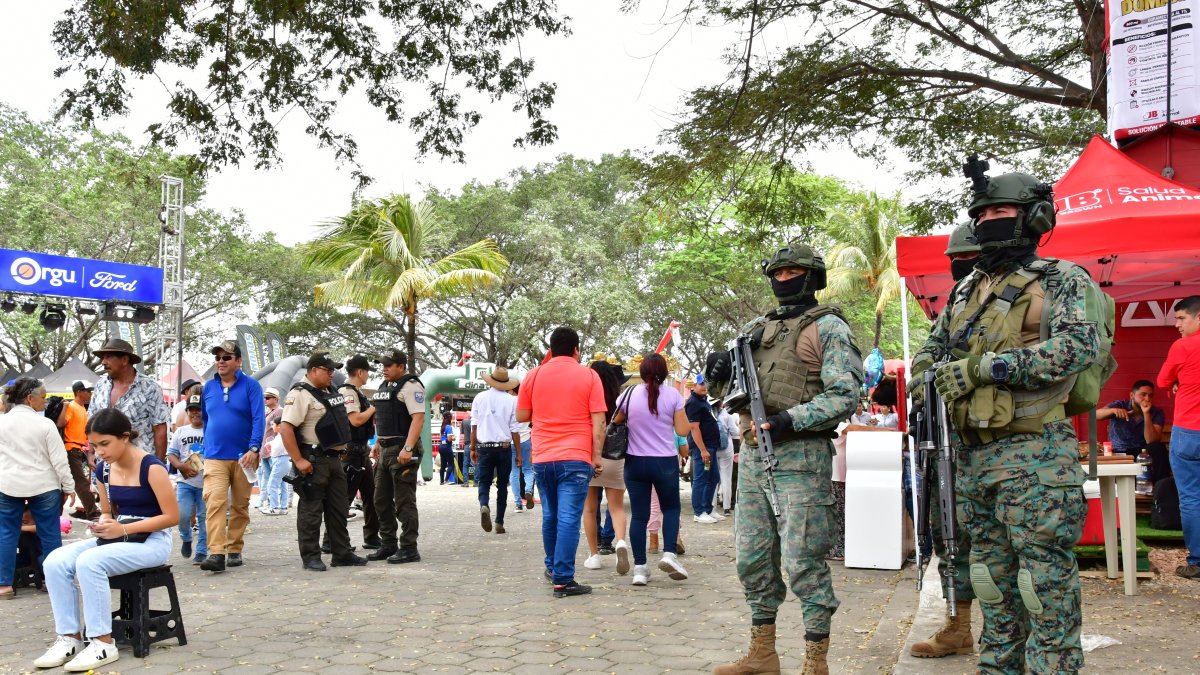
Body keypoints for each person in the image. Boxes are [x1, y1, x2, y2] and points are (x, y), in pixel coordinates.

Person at [910, 170, 1102, 673]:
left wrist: (987, 366)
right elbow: (929, 353)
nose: (988, 222)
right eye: (981, 215)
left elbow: (1079, 346)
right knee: (991, 581)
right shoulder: (965, 290)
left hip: (1035, 455)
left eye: (999, 213)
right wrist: (927, 376)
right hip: (971, 457)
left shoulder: (1061, 278)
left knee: (1042, 584)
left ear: (1034, 217)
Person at [706, 242, 863, 675]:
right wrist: (715, 376)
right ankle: (763, 653)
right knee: (751, 558)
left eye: (794, 272)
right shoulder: (757, 328)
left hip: (802, 457)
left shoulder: (828, 327)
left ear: (813, 277)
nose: (784, 279)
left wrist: (790, 420)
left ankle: (816, 661)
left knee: (803, 561)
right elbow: (729, 392)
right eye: (778, 272)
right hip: (755, 458)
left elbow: (847, 393)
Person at [35, 409, 178, 671]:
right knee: (55, 561)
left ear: (125, 437)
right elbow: (107, 511)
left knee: (90, 562)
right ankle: (69, 638)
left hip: (153, 541)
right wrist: (102, 523)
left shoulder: (151, 467)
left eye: (104, 444)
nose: (99, 451)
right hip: (118, 536)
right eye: (94, 445)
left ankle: (102, 643)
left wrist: (122, 530)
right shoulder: (103, 470)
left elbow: (172, 517)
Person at [908, 221, 980, 659]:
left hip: (1000, 438)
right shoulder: (956, 301)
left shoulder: (1038, 284)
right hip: (949, 440)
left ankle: (1015, 633)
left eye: (967, 258)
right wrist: (926, 374)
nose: (961, 267)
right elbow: (928, 352)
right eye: (955, 261)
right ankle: (959, 625)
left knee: (1004, 540)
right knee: (948, 532)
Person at [516, 327, 607, 598]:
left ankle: (552, 568)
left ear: (551, 350)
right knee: (568, 518)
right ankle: (563, 579)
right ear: (576, 349)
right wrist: (596, 456)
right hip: (576, 457)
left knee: (551, 516)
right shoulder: (590, 376)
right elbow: (599, 421)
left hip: (543, 457)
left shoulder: (533, 375)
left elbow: (522, 415)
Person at [278, 353, 367, 571]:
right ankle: (310, 556)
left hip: (334, 460)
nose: (332, 374)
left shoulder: (330, 392)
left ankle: (341, 553)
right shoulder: (300, 393)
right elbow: (286, 428)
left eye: (333, 370)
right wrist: (298, 460)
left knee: (338, 509)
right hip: (312, 460)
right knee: (311, 511)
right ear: (314, 370)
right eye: (328, 370)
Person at [0, 378, 75, 600]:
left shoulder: (2, 423)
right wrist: (69, 486)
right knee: (49, 533)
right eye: (42, 397)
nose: (45, 401)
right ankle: (51, 580)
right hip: (44, 485)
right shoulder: (45, 425)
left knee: (6, 534)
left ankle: (4, 585)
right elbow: (59, 460)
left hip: (7, 485)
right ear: (29, 398)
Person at [620, 353, 691, 586]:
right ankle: (669, 554)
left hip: (635, 462)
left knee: (639, 515)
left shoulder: (628, 395)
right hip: (664, 462)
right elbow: (682, 431)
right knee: (670, 509)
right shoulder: (672, 395)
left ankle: (640, 569)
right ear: (664, 372)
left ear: (641, 372)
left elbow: (616, 421)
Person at [198, 340, 264, 573]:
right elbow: (206, 419)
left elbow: (259, 419)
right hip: (214, 456)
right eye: (217, 358)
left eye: (226, 357)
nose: (220, 362)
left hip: (245, 457)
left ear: (238, 361)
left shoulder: (251, 386)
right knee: (214, 501)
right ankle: (216, 552)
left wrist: (254, 449)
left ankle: (234, 547)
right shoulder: (208, 387)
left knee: (240, 505)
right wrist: (208, 446)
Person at [367, 349, 426, 564]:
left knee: (404, 502)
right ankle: (388, 544)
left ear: (401, 366)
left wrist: (408, 448)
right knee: (380, 500)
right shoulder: (385, 387)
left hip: (402, 449)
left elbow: (418, 418)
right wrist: (377, 444)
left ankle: (409, 548)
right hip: (385, 449)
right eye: (383, 364)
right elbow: (382, 419)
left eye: (389, 365)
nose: (384, 368)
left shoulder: (411, 386)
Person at [1159, 295, 1200, 580]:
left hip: (1189, 432)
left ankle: (1197, 562)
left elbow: (1162, 381)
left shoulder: (1183, 347)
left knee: (1191, 498)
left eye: (1182, 318)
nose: (1177, 324)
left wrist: (1177, 382)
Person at [582, 360, 630, 573]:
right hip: (616, 458)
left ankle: (594, 556)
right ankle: (620, 541)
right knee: (617, 507)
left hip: (591, 456)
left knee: (590, 509)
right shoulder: (621, 400)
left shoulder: (587, 398)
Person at [89, 338, 169, 460]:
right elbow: (92, 422)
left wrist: (158, 463)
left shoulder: (149, 387)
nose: (103, 362)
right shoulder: (101, 385)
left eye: (108, 357)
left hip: (139, 463)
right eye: (103, 358)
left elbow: (159, 427)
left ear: (125, 360)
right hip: (105, 462)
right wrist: (90, 453)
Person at [333, 355, 380, 550]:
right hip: (350, 453)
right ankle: (332, 541)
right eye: (367, 371)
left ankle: (371, 537)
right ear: (360, 372)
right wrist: (374, 408)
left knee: (371, 496)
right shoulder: (347, 392)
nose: (368, 375)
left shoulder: (356, 392)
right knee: (344, 498)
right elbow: (356, 420)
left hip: (360, 451)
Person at [471, 367, 522, 534]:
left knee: (484, 482)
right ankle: (499, 522)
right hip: (504, 448)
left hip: (484, 447)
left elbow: (474, 427)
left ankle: (484, 504)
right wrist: (519, 454)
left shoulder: (479, 397)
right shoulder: (512, 400)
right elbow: (515, 430)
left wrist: (472, 447)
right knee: (502, 485)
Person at [166, 395, 207, 565]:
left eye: (198, 409)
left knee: (204, 517)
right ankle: (186, 537)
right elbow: (171, 454)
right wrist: (181, 466)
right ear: (187, 412)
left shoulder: (211, 430)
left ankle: (202, 551)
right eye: (191, 409)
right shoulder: (180, 431)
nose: (195, 412)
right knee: (182, 515)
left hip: (207, 481)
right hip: (185, 482)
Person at [58, 380, 99, 520]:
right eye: (87, 391)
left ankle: (88, 510)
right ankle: (93, 512)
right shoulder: (72, 406)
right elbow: (61, 423)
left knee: (71, 483)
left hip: (78, 449)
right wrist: (65, 407)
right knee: (80, 482)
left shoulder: (82, 408)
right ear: (79, 392)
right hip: (71, 448)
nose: (90, 393)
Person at [685, 376, 722, 524]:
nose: (704, 386)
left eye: (705, 383)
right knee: (700, 479)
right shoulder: (693, 403)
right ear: (694, 385)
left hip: (711, 447)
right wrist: (702, 449)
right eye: (701, 384)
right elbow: (694, 428)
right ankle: (698, 512)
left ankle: (708, 508)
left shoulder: (703, 401)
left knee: (713, 478)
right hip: (703, 448)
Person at [259, 388, 291, 515]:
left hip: (276, 452)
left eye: (268, 398)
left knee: (274, 481)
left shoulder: (280, 412)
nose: (265, 400)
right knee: (273, 479)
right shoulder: (268, 412)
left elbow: (282, 429)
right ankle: (278, 505)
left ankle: (276, 506)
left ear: (276, 399)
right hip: (268, 449)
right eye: (265, 398)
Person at [511, 391, 535, 511]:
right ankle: (529, 490)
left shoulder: (508, 401)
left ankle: (518, 503)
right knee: (528, 469)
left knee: (514, 472)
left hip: (510, 441)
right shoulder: (527, 401)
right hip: (526, 439)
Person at [713, 399, 738, 516]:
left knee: (713, 479)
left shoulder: (708, 413)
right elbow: (735, 432)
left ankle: (712, 506)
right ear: (721, 403)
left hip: (712, 449)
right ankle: (727, 507)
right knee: (726, 478)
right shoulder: (728, 415)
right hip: (727, 449)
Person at [438, 413, 456, 485]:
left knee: (443, 465)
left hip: (441, 446)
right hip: (447, 447)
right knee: (451, 464)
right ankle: (446, 479)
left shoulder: (442, 427)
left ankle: (441, 481)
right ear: (449, 418)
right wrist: (454, 438)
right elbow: (449, 438)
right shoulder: (449, 427)